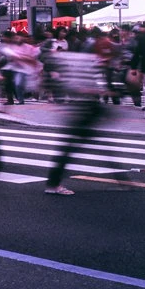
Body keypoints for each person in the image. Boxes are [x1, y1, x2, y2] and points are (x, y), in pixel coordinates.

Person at [41, 45, 109, 195]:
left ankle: (53, 183)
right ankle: (53, 184)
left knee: (72, 148)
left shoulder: (85, 62)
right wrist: (97, 91)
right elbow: (74, 85)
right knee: (69, 148)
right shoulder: (86, 63)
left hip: (85, 109)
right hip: (81, 109)